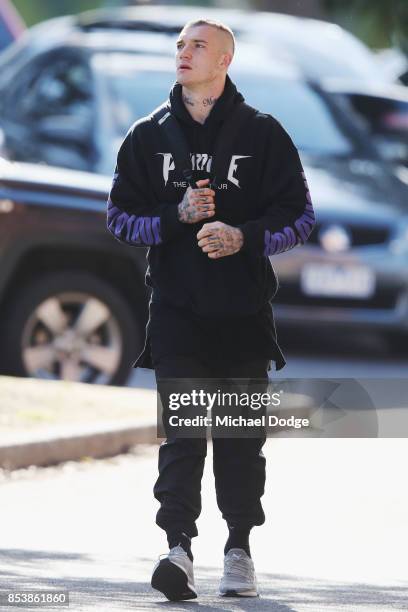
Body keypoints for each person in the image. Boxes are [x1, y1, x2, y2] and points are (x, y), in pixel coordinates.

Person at [107, 18, 315, 601]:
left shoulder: (264, 134)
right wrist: (177, 217)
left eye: (197, 45)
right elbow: (120, 219)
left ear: (225, 59)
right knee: (182, 433)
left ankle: (239, 550)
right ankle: (176, 548)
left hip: (245, 312)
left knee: (240, 439)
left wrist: (243, 235)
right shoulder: (147, 136)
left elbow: (299, 217)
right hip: (174, 310)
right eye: (179, 44)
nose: (183, 52)